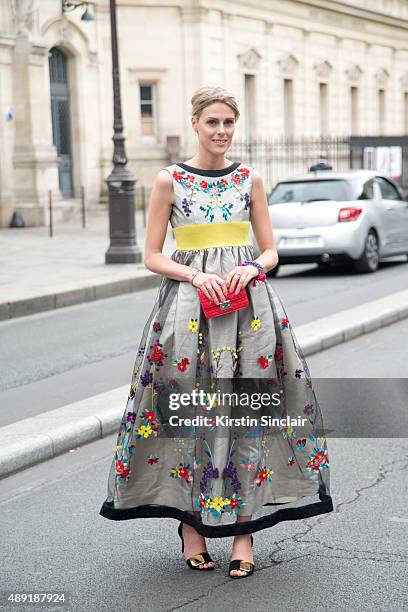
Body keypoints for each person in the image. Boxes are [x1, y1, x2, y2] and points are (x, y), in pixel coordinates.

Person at [99, 86, 333, 579]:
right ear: (195, 124)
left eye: (229, 122)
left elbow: (270, 250)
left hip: (248, 312)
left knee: (250, 412)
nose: (222, 131)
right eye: (212, 123)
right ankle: (192, 527)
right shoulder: (170, 180)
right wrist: (196, 275)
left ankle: (244, 531)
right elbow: (152, 255)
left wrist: (252, 268)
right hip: (188, 313)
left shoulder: (251, 178)